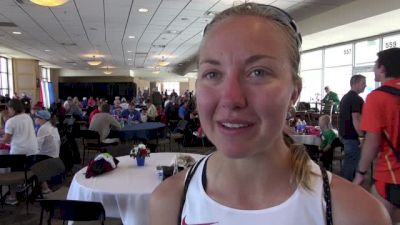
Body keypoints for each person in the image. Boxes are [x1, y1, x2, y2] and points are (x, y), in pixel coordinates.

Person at [149, 3, 389, 225]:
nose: (231, 99)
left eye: (258, 72)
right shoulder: (170, 201)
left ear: (294, 92)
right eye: (212, 74)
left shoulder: (355, 213)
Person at [354, 48, 400, 223]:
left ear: (382, 68)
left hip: (391, 177)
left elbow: (372, 141)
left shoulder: (377, 97)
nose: (373, 70)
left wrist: (360, 172)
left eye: (375, 66)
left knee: (373, 218)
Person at [338, 74, 366, 181]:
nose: (365, 85)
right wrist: (361, 136)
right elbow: (356, 118)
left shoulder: (345, 97)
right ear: (356, 83)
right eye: (363, 83)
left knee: (349, 162)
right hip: (352, 136)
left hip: (344, 134)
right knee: (350, 163)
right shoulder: (356, 99)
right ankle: (346, 188)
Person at [33, 110, 61, 194]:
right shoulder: (52, 126)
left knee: (31, 161)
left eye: (36, 117)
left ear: (42, 119)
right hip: (55, 156)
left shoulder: (43, 128)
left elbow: (37, 147)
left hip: (48, 157)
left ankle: (45, 188)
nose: (34, 119)